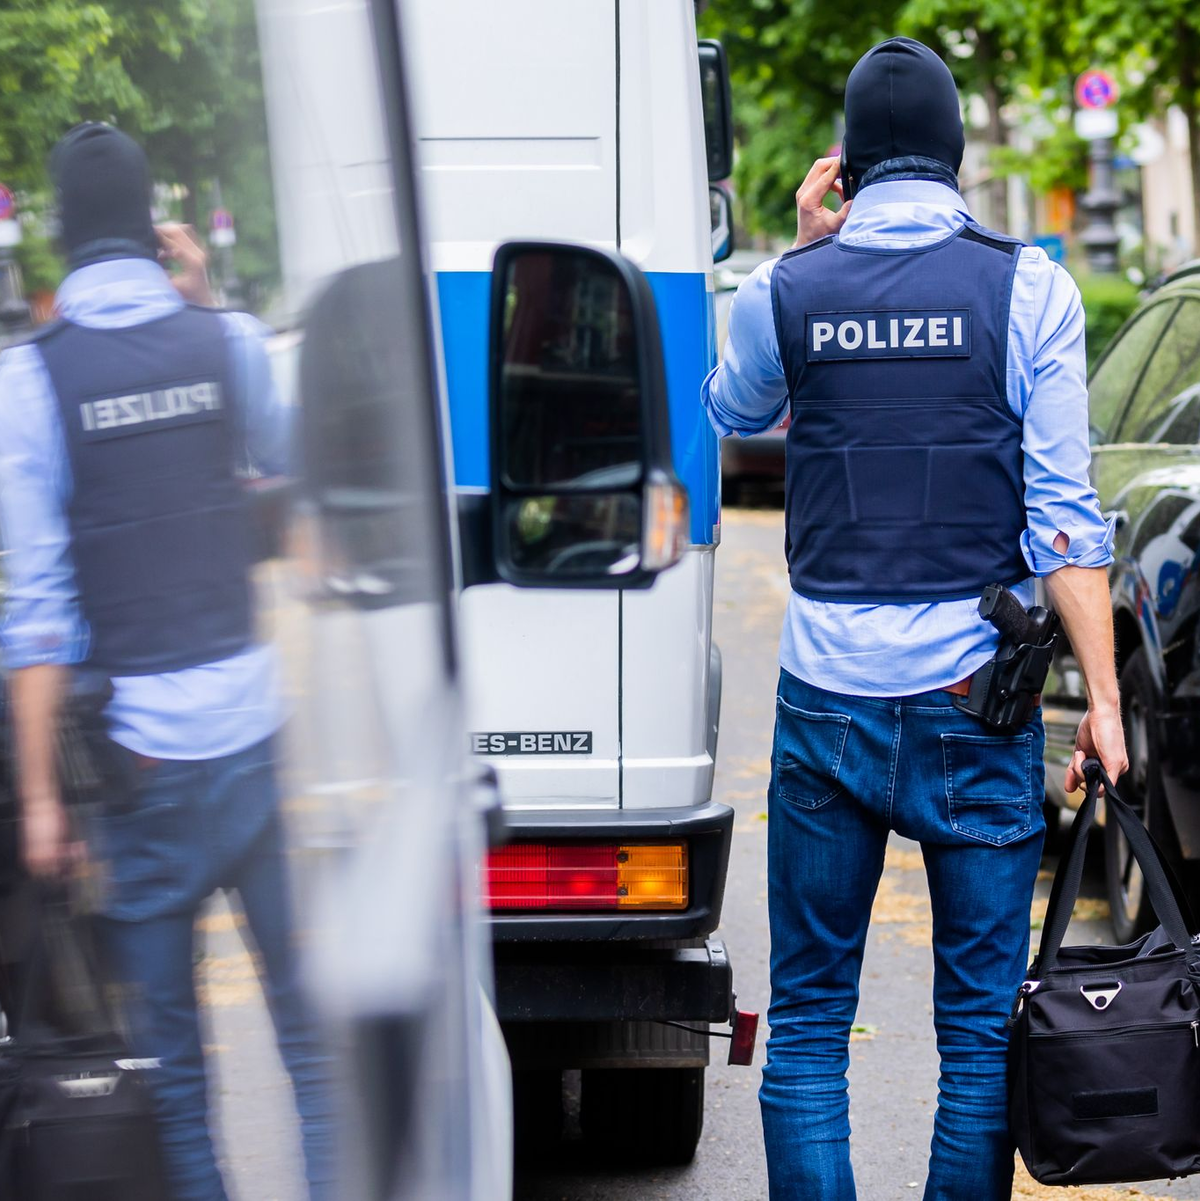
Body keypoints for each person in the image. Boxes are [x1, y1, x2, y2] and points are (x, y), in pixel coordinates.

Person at [702, 37, 1128, 1201]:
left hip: (826, 706)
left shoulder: (784, 293)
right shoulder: (1028, 288)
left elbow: (731, 407)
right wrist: (1101, 695)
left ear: (849, 164)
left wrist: (797, 253)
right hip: (972, 709)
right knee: (980, 1036)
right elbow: (1065, 524)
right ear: (949, 156)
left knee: (807, 1029)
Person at [0, 123, 333, 1201]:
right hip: (250, 742)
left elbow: (39, 612)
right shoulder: (226, 342)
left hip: (137, 769)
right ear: (154, 226)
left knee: (179, 1079)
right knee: (312, 1051)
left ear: (58, 237)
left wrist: (43, 799)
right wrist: (199, 307)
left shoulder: (32, 383)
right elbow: (288, 479)